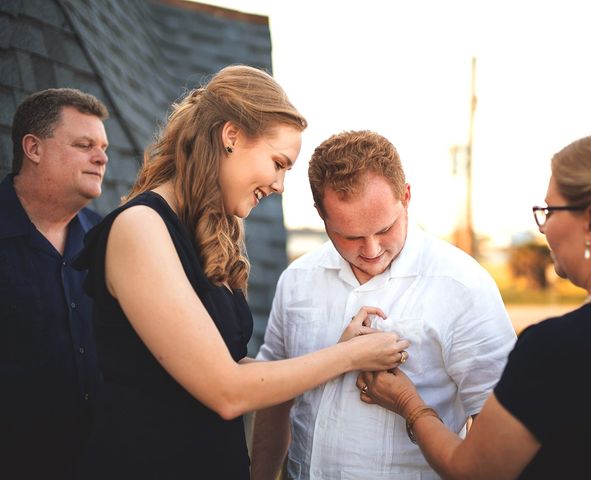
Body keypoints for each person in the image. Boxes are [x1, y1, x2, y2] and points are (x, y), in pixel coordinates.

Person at [73, 65, 408, 479]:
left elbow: (234, 369)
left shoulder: (209, 236)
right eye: (278, 163)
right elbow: (227, 391)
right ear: (231, 136)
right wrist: (348, 356)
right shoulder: (139, 228)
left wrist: (337, 351)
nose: (281, 185)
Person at [358, 119, 591, 479]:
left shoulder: (559, 349)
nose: (544, 226)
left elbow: (474, 471)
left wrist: (409, 403)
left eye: (551, 211)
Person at [251, 130, 517, 480]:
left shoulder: (463, 285)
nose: (372, 250)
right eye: (351, 236)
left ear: (406, 196)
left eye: (385, 228)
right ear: (321, 214)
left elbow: (497, 433)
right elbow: (274, 397)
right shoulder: (297, 279)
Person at [0, 88, 109, 478]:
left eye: (103, 147)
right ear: (33, 148)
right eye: (84, 145)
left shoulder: (107, 239)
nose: (101, 158)